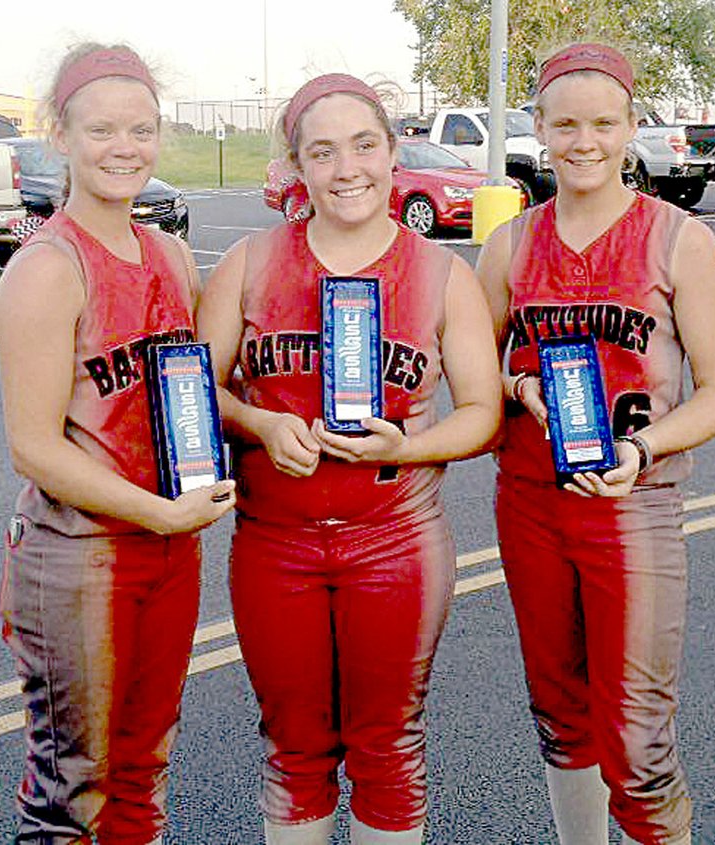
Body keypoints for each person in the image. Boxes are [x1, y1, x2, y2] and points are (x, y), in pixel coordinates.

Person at [198, 73, 500, 844]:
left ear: (394, 151)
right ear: (297, 166)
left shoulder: (440, 273)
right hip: (276, 542)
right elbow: (195, 395)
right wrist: (261, 424)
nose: (347, 168)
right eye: (322, 151)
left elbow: (482, 413)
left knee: (389, 746)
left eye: (365, 144)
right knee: (294, 747)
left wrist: (412, 445)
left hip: (395, 539)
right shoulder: (249, 263)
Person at [476, 43, 715, 845]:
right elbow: (476, 379)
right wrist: (520, 388)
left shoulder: (678, 238)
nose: (582, 141)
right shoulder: (511, 246)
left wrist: (644, 449)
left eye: (601, 123)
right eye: (564, 124)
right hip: (530, 502)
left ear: (630, 126)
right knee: (559, 710)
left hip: (636, 505)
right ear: (539, 129)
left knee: (638, 734)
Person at [0, 43, 235, 844]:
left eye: (141, 129)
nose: (124, 147)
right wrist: (158, 515)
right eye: (101, 130)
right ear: (59, 135)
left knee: (143, 768)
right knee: (71, 791)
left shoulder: (167, 252)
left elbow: (194, 394)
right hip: (79, 555)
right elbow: (34, 446)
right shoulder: (48, 267)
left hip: (168, 551)